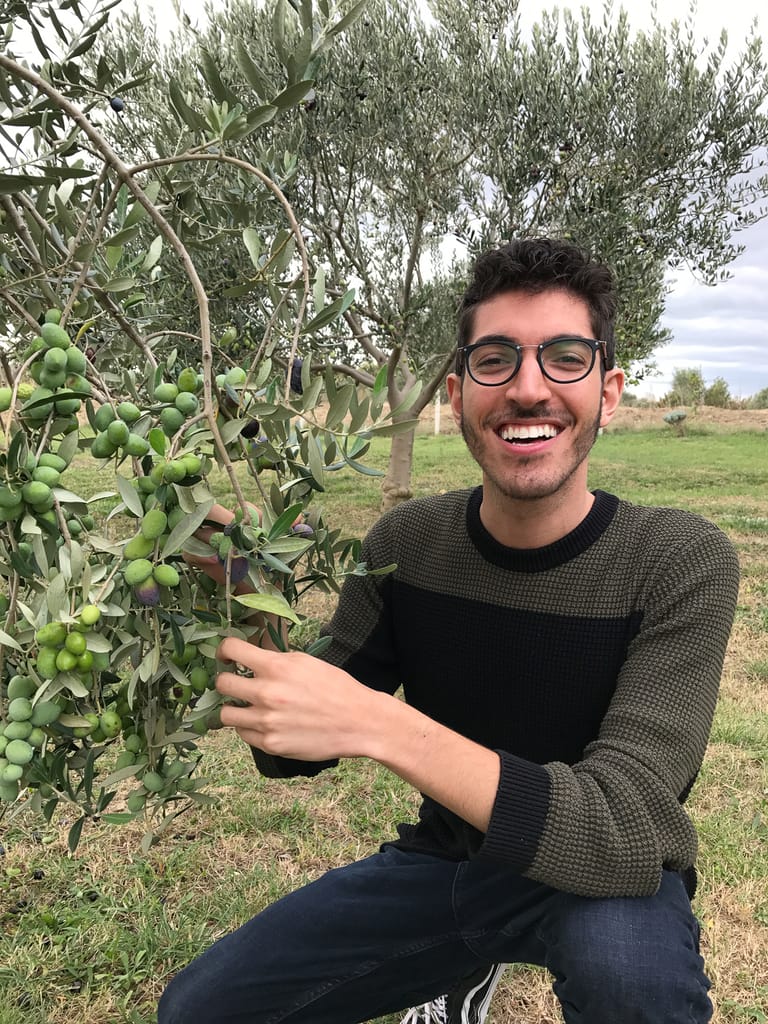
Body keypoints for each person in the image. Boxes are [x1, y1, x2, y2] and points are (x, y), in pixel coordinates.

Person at [158, 238, 740, 1024]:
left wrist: (382, 724)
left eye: (564, 358)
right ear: (459, 391)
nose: (529, 389)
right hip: (452, 864)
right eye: (496, 360)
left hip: (604, 890)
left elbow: (624, 829)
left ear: (608, 392)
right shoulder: (408, 545)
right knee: (199, 1012)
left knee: (636, 996)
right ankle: (460, 962)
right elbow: (287, 750)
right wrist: (244, 589)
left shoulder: (677, 560)